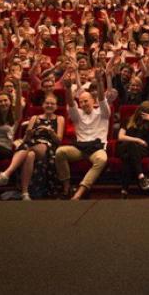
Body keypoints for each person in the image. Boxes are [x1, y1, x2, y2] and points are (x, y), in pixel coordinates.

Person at [57, 69, 116, 200]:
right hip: (80, 148)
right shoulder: (77, 115)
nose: (83, 104)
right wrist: (68, 88)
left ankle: (80, 191)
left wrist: (99, 81)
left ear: (93, 101)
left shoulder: (103, 113)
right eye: (81, 102)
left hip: (97, 148)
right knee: (60, 152)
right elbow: (71, 104)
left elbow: (102, 99)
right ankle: (66, 188)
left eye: (86, 101)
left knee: (102, 159)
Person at [117, 101, 149, 196]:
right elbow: (120, 137)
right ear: (139, 111)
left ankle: (124, 189)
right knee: (131, 144)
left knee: (127, 157)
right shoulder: (128, 120)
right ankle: (141, 176)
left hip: (142, 150)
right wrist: (138, 140)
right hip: (125, 147)